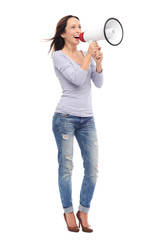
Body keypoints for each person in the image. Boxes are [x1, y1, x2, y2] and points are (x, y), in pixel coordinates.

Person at [48, 15, 103, 232]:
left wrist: (98, 63)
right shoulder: (58, 57)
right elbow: (78, 80)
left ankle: (84, 211)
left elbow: (97, 83)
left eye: (79, 26)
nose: (78, 29)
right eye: (73, 27)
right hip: (65, 119)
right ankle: (69, 211)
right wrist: (89, 55)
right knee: (66, 169)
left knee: (92, 169)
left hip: (87, 119)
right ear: (63, 33)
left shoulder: (83, 54)